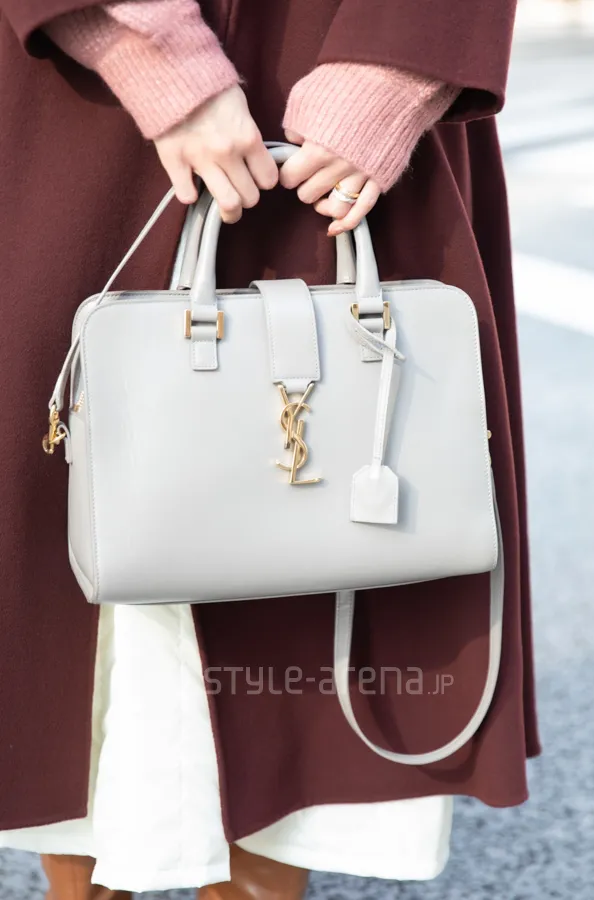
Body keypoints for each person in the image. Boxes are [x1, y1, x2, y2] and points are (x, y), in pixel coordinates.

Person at [0, 1, 540, 898]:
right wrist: (149, 48)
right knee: (78, 547)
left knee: (317, 549)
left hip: (340, 61)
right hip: (83, 88)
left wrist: (392, 68)